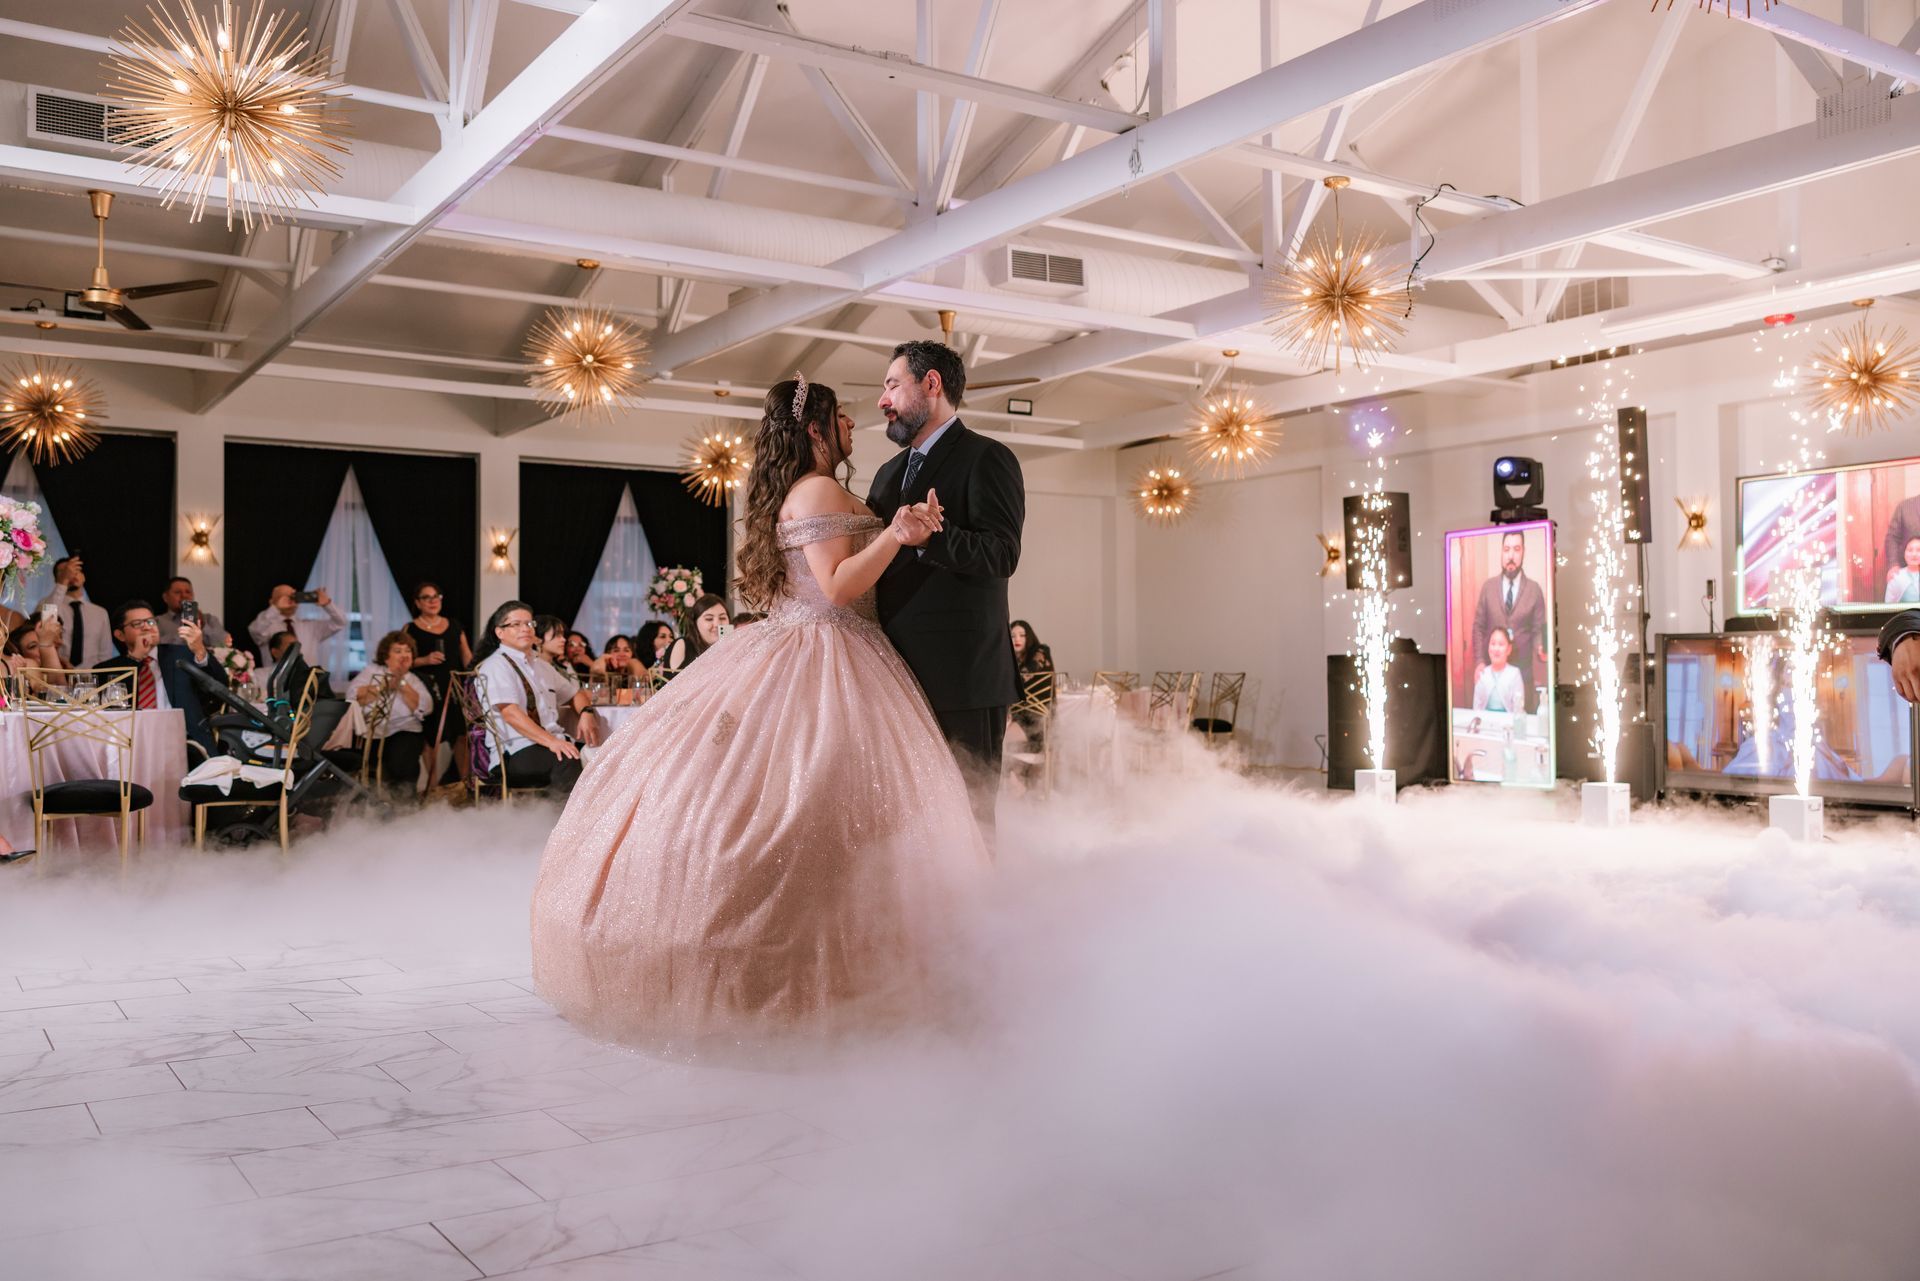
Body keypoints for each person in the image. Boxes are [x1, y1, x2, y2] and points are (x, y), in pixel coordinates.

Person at [530, 376, 987, 1052]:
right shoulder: (819, 490)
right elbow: (835, 589)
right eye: (842, 417)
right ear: (815, 429)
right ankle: (822, 977)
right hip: (830, 653)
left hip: (804, 647)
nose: (854, 425)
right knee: (822, 806)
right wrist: (896, 531)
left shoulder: (798, 491)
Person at [869, 340, 1026, 814]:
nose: (882, 400)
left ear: (931, 384)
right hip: (893, 676)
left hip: (964, 681)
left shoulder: (987, 458)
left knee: (968, 820)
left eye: (893, 385)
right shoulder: (886, 474)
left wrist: (930, 539)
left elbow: (1002, 554)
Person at [472, 601, 583, 794]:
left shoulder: (541, 666)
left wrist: (587, 712)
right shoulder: (496, 666)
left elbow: (575, 694)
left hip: (550, 742)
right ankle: (560, 823)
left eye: (529, 624)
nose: (525, 628)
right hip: (516, 751)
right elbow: (511, 714)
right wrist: (552, 742)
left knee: (600, 755)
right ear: (500, 632)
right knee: (566, 760)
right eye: (516, 624)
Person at [92, 600, 226, 756]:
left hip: (187, 744)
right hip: (131, 747)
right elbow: (108, 714)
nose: (147, 627)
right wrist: (136, 658)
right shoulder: (106, 670)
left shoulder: (183, 654)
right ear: (120, 635)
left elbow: (220, 686)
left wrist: (200, 650)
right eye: (137, 623)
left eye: (150, 621)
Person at [345, 631, 433, 799]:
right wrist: (385, 684)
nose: (404, 656)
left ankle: (404, 804)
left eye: (407, 651)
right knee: (366, 761)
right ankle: (373, 806)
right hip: (372, 732)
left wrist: (401, 682)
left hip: (405, 730)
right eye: (398, 651)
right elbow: (354, 696)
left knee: (401, 756)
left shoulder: (413, 679)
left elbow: (426, 707)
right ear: (386, 656)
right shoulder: (372, 671)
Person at [1469, 528, 1548, 713]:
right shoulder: (1488, 588)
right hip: (1492, 672)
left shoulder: (1534, 590)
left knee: (1522, 727)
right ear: (1501, 552)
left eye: (1516, 549)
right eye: (1506, 549)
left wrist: (1541, 648)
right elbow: (1478, 627)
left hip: (1523, 673)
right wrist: (1480, 660)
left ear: (1523, 552)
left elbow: (1539, 629)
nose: (1511, 555)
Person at [535, 615, 604, 747]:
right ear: (537, 639)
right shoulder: (534, 668)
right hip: (543, 735)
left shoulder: (555, 667)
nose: (563, 640)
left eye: (563, 635)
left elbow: (574, 692)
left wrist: (586, 711)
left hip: (559, 732)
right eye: (557, 636)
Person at [37, 555, 113, 669]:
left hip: (91, 678)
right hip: (58, 674)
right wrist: (64, 581)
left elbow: (105, 653)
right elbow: (46, 617)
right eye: (64, 572)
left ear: (83, 576)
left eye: (75, 571)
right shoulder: (49, 604)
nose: (71, 575)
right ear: (56, 579)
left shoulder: (100, 612)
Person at [248, 584, 346, 672]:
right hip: (276, 683)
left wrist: (327, 604)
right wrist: (275, 609)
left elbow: (340, 622)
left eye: (293, 595)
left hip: (306, 684)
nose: (290, 599)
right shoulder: (266, 626)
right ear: (271, 601)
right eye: (283, 596)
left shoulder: (310, 626)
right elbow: (255, 630)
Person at [154, 576, 231, 648]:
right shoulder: (157, 622)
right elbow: (156, 647)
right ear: (165, 597)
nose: (184, 595)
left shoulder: (209, 619)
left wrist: (203, 626)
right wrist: (186, 630)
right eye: (177, 592)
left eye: (188, 592)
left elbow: (224, 644)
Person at [4, 614, 69, 691]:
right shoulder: (13, 670)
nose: (41, 649)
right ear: (19, 655)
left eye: (42, 642)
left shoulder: (68, 670)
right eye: (33, 646)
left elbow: (59, 694)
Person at [665, 597, 730, 671]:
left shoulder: (733, 648)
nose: (717, 624)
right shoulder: (683, 644)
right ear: (695, 623)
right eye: (709, 619)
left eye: (722, 618)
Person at [1472, 627, 1527, 713]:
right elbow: (1476, 707)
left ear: (1509, 649)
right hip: (1485, 722)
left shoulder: (1514, 673)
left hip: (1508, 723)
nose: (1496, 649)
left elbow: (1519, 708)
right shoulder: (1482, 673)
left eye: (1501, 644)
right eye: (1493, 644)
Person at [1887, 537, 1920, 603]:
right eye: (1910, 550)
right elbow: (1888, 607)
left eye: (1919, 550)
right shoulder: (1896, 577)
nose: (1914, 554)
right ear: (1904, 553)